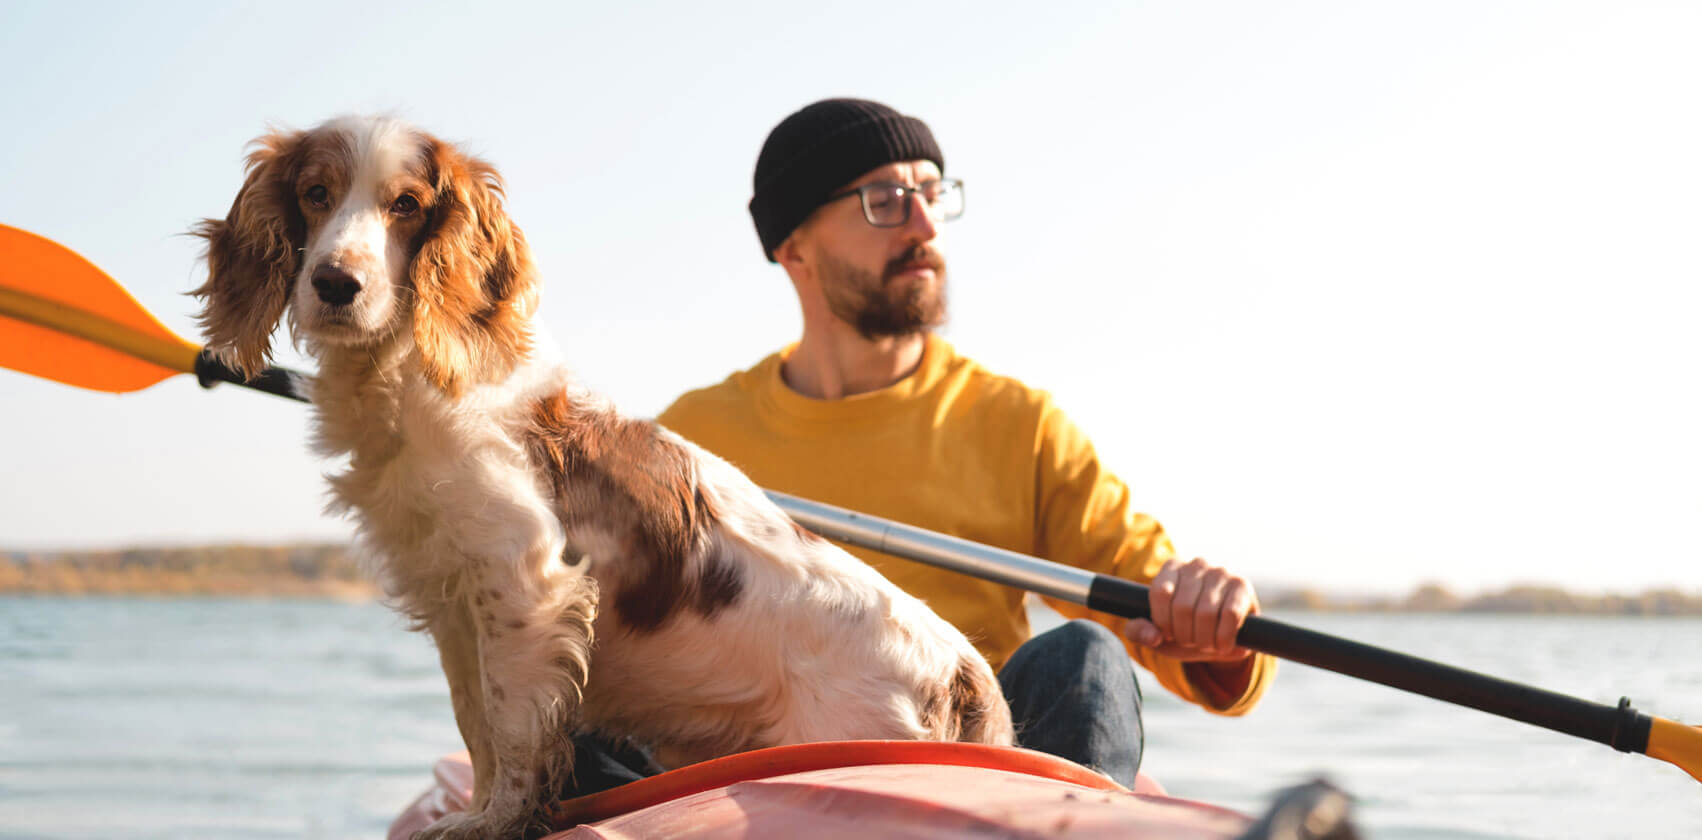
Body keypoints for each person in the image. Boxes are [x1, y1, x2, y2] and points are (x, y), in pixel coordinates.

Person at [657, 98, 1276, 786]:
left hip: (974, 773)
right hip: (759, 781)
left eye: (930, 193)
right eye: (886, 199)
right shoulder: (691, 441)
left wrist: (1209, 614)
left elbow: (1159, 611)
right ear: (794, 245)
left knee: (1085, 656)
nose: (924, 224)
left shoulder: (1019, 423)